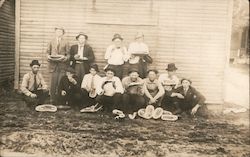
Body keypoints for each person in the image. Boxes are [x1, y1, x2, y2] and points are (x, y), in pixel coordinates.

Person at [47, 26, 70, 104]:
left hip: (62, 66)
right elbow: (47, 52)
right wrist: (48, 57)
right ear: (55, 32)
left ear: (63, 33)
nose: (59, 33)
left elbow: (68, 54)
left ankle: (60, 100)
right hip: (53, 66)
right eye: (57, 31)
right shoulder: (51, 41)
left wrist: (65, 58)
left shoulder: (66, 42)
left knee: (61, 83)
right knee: (53, 84)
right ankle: (52, 100)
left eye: (60, 32)